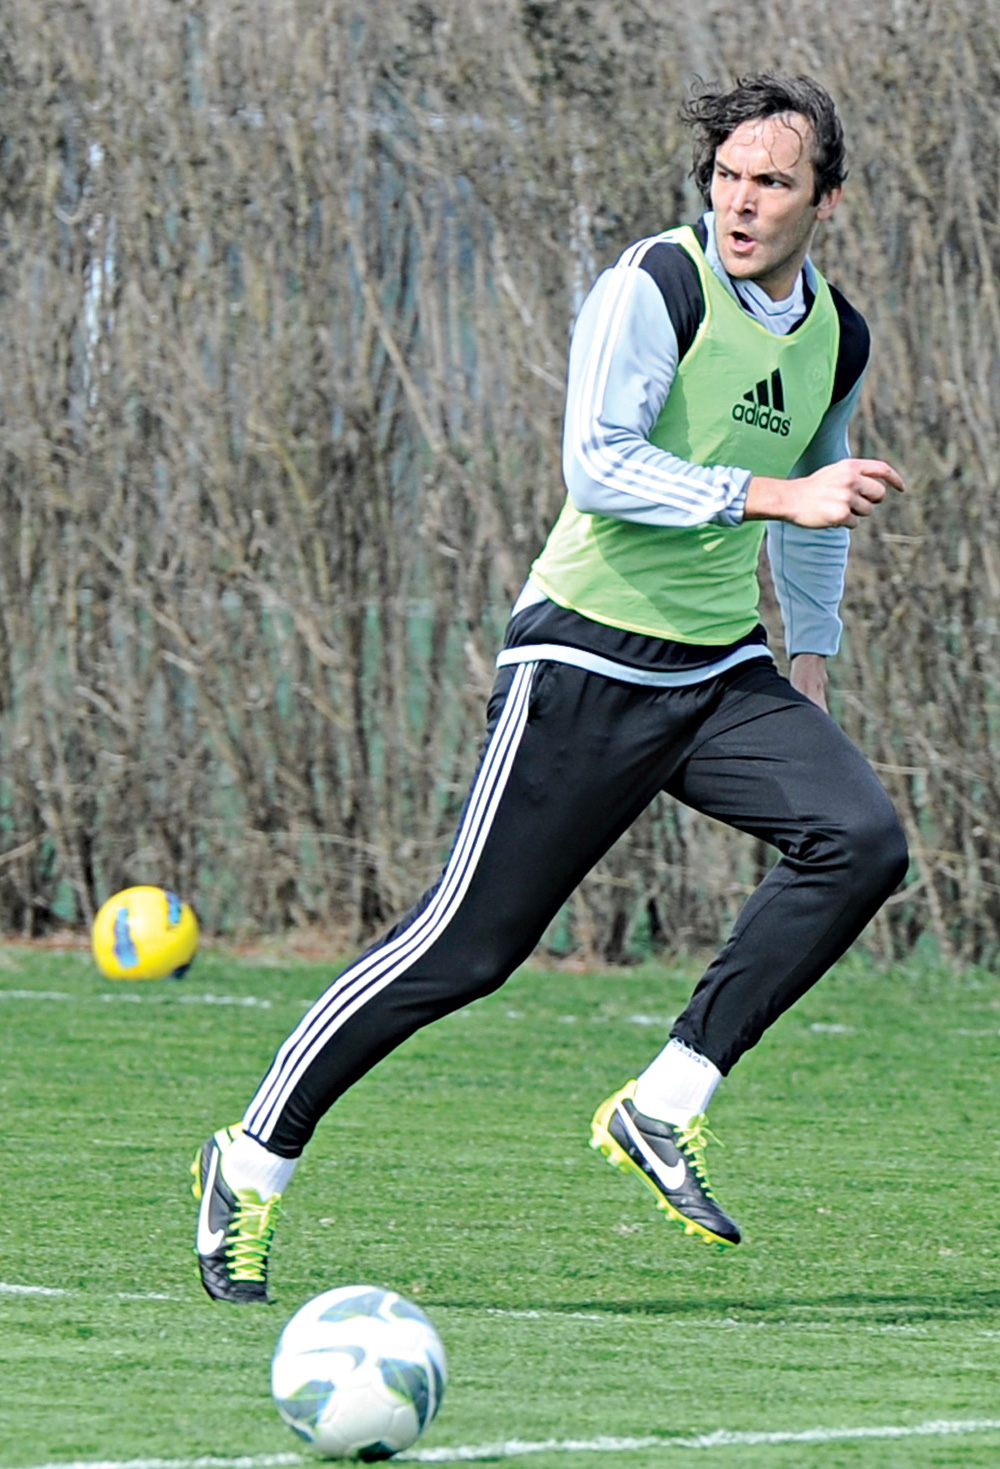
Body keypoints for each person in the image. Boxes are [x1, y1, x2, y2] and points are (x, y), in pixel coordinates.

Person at [193, 72, 908, 1302]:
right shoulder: (655, 285)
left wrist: (809, 659)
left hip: (721, 669)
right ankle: (249, 1160)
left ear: (825, 200)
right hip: (583, 656)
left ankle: (664, 1101)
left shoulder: (837, 334)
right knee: (463, 948)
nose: (741, 202)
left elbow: (823, 492)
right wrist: (769, 494)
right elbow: (599, 464)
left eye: (772, 182)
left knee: (860, 838)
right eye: (727, 177)